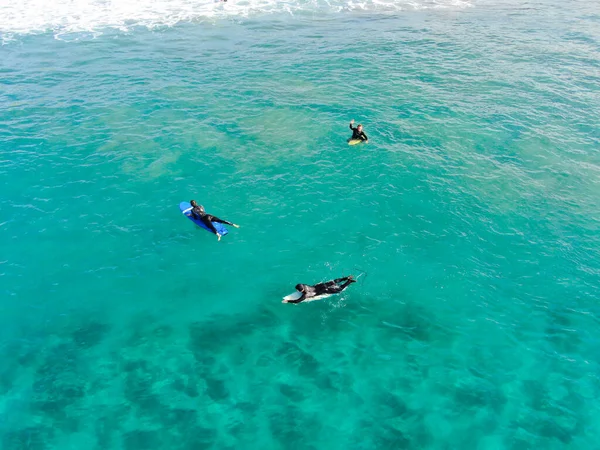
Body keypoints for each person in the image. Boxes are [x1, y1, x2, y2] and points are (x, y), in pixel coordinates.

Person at [283, 276, 356, 303]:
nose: (297, 291)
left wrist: (288, 300)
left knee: (339, 289)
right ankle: (346, 278)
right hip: (321, 285)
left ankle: (349, 281)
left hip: (324, 290)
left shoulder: (306, 294)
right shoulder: (304, 285)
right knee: (332, 282)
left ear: (301, 290)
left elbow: (297, 301)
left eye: (298, 290)